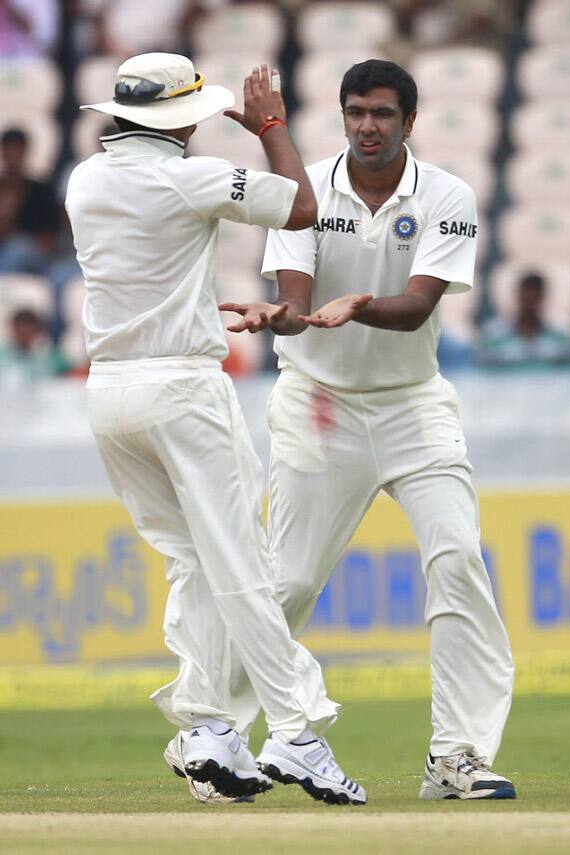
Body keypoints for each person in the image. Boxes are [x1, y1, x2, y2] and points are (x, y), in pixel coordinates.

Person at [64, 52, 365, 806]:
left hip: (110, 394)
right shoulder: (186, 177)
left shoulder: (85, 179)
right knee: (242, 565)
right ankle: (298, 729)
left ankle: (207, 725)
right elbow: (302, 207)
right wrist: (268, 125)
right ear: (182, 118)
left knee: (194, 563)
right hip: (181, 387)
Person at [221, 59, 516, 801]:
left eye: (382, 113)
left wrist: (355, 304)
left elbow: (417, 306)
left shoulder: (449, 195)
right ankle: (213, 736)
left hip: (414, 403)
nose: (367, 126)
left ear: (410, 122)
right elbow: (293, 297)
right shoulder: (307, 191)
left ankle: (458, 757)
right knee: (285, 582)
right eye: (355, 112)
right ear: (343, 116)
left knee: (456, 562)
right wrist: (279, 316)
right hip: (320, 401)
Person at [0, 128, 80, 341]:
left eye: (18, 153)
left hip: (41, 259)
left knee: (59, 275)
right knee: (15, 249)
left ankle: (53, 339)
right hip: (6, 258)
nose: (14, 159)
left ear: (26, 153)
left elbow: (55, 239)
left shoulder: (41, 190)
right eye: (9, 153)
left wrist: (32, 245)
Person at [479, 271, 570, 369]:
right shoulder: (493, 337)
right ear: (518, 295)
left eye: (535, 295)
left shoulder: (562, 338)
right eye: (526, 295)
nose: (530, 301)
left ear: (543, 297)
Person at [0, 307, 70, 388]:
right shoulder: (2, 357)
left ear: (36, 330)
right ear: (13, 328)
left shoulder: (50, 358)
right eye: (20, 328)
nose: (24, 332)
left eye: (28, 328)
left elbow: (73, 371)